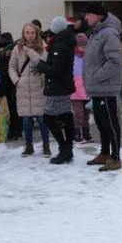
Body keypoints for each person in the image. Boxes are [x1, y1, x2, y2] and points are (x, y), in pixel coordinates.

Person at [82, 2, 122, 171]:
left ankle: (116, 157)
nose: (85, 18)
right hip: (98, 88)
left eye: (88, 14)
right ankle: (105, 153)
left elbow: (115, 61)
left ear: (98, 15)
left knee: (110, 123)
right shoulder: (97, 32)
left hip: (105, 88)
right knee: (101, 123)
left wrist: (96, 77)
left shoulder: (109, 33)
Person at [41, 16, 78, 164]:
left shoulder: (59, 46)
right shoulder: (65, 42)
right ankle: (68, 149)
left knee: (48, 118)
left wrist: (41, 66)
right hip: (63, 86)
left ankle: (65, 148)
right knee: (66, 115)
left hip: (58, 87)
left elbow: (56, 70)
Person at [11, 22, 51, 157]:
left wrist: (30, 51)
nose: (29, 35)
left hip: (38, 88)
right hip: (23, 89)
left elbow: (41, 64)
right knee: (26, 119)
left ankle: (46, 145)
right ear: (23, 34)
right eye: (27, 32)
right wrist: (17, 81)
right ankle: (29, 146)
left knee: (42, 119)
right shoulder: (17, 48)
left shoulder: (44, 48)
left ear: (37, 34)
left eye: (32, 33)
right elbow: (11, 67)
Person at [71, 32, 94, 144]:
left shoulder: (89, 57)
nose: (84, 49)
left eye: (86, 47)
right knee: (78, 113)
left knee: (86, 113)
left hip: (87, 90)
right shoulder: (73, 57)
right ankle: (76, 132)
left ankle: (86, 132)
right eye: (82, 47)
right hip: (76, 91)